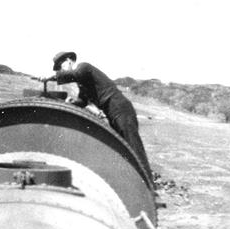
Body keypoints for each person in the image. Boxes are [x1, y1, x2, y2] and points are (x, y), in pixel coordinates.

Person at [44, 51, 152, 180]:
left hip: (119, 107)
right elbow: (83, 100)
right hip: (113, 111)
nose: (61, 70)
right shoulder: (82, 82)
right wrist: (73, 102)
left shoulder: (83, 67)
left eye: (61, 66)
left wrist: (51, 77)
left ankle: (146, 181)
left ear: (68, 60)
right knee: (124, 146)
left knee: (133, 145)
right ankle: (136, 179)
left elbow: (75, 74)